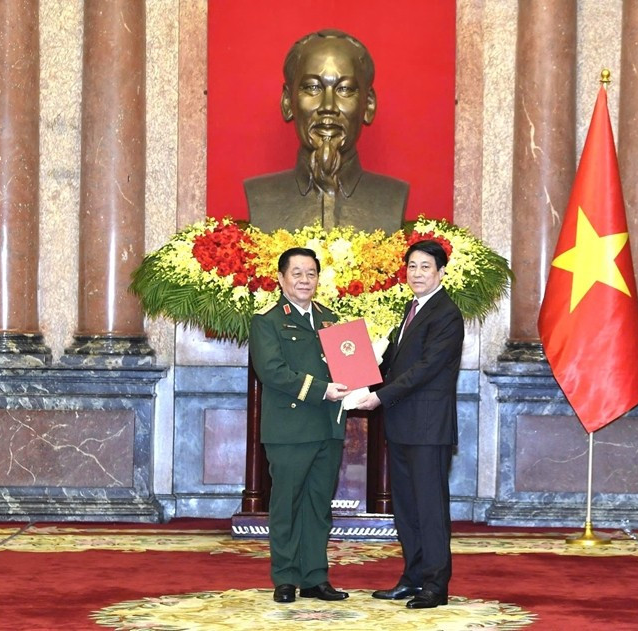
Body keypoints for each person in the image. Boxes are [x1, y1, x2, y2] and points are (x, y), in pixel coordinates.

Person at [354, 239, 465, 609]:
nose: (417, 273)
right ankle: (413, 577)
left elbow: (426, 368)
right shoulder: (413, 308)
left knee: (430, 508)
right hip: (403, 425)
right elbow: (393, 362)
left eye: (425, 267)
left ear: (441, 272)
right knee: (407, 508)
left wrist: (380, 396)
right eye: (412, 266)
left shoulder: (446, 313)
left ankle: (435, 585)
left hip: (428, 428)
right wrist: (356, 374)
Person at [248, 247, 351, 604]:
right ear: (281, 278)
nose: (305, 280)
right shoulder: (268, 321)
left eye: (311, 273)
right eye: (297, 273)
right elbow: (272, 372)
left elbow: (347, 365)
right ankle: (286, 578)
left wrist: (360, 380)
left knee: (318, 506)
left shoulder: (330, 319)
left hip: (328, 426)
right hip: (290, 430)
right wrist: (323, 390)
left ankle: (315, 578)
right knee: (287, 506)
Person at [244, 29, 408, 233]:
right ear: (287, 102)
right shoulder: (260, 196)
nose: (328, 106)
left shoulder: (393, 197)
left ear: (368, 104)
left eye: (344, 89)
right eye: (313, 88)